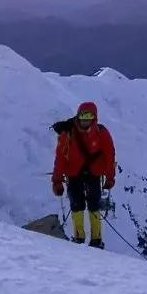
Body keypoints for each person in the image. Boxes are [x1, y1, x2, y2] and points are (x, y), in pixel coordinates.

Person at [51, 101, 116, 248]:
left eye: (89, 115)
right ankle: (79, 237)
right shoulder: (67, 133)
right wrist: (57, 181)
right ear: (78, 115)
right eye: (83, 115)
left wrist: (110, 177)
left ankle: (95, 239)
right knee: (77, 204)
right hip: (75, 173)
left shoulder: (101, 133)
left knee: (94, 204)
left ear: (94, 117)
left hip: (91, 173)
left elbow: (109, 156)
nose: (85, 119)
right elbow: (60, 158)